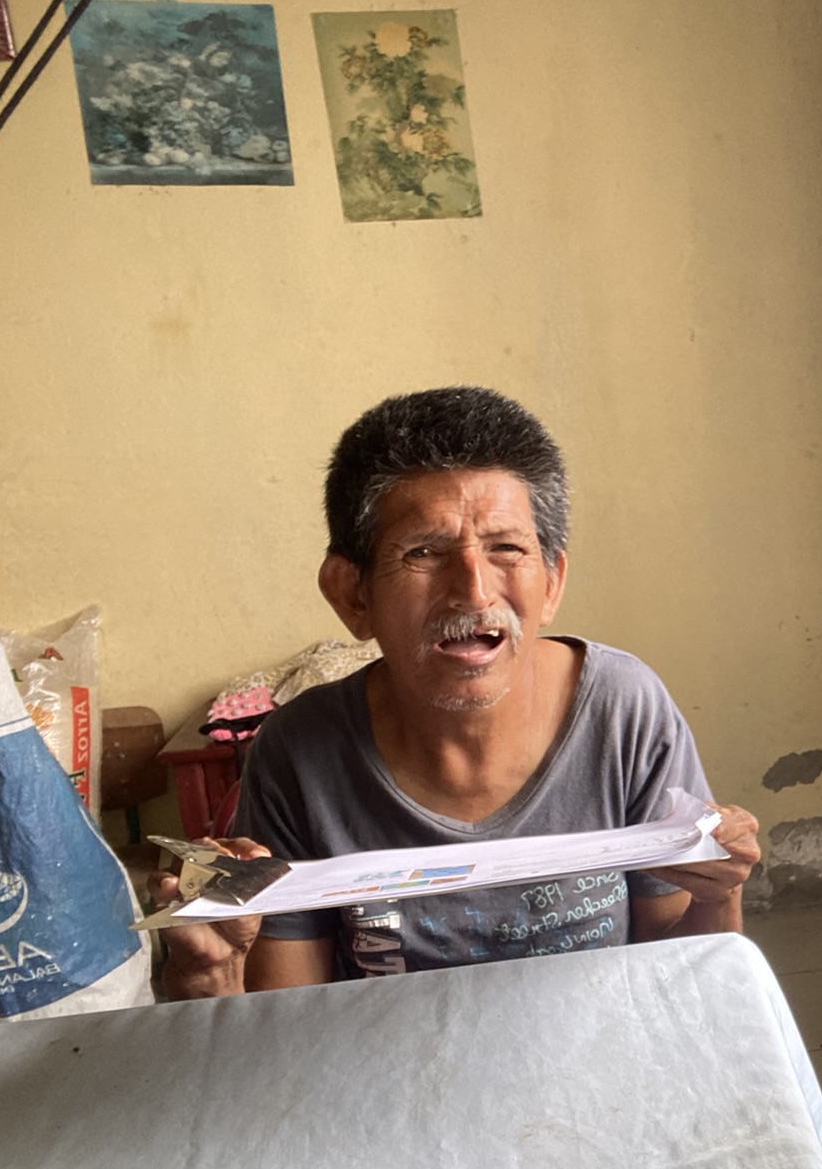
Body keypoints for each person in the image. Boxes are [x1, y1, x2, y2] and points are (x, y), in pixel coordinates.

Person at [159, 387, 762, 996]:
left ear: (552, 583)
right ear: (353, 594)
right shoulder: (300, 752)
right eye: (423, 552)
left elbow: (680, 975)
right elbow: (296, 1016)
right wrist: (212, 972)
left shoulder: (623, 710)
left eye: (507, 548)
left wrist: (719, 893)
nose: (474, 592)